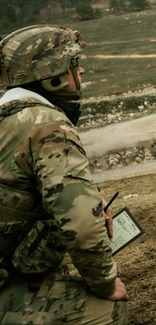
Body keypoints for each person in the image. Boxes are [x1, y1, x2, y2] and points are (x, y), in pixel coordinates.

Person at [0, 25, 129, 324]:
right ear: (55, 78)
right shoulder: (46, 124)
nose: (81, 70)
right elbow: (82, 225)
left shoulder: (10, 117)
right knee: (108, 312)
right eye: (73, 64)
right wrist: (106, 284)